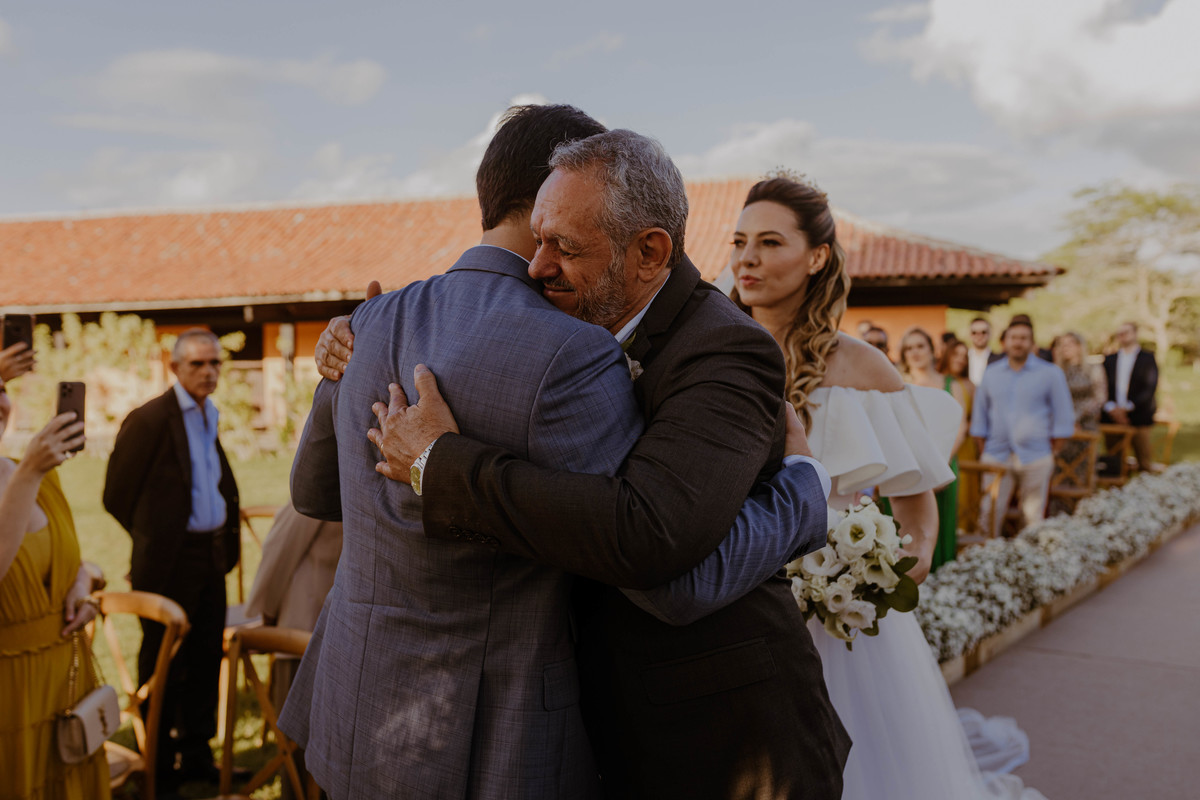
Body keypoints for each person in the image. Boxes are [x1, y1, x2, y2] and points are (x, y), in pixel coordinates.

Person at [289, 115, 839, 799]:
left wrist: (803, 493)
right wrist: (341, 366)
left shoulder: (721, 348)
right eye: (541, 239)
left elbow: (653, 549)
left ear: (649, 251)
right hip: (491, 729)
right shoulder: (557, 339)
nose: (540, 267)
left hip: (721, 737)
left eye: (564, 246)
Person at [726, 174, 1043, 800]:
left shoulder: (862, 366)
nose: (747, 259)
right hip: (736, 590)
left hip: (838, 612)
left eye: (768, 242)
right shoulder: (715, 351)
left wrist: (900, 563)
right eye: (739, 242)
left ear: (816, 256)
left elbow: (916, 504)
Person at [102, 328, 240, 790]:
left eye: (214, 363)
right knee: (162, 664)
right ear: (175, 368)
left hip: (211, 556)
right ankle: (157, 766)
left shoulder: (209, 413)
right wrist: (153, 540)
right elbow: (115, 494)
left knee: (205, 661)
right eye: (198, 364)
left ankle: (198, 760)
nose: (208, 371)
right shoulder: (150, 419)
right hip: (168, 562)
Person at [0, 375, 110, 800]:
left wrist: (81, 584)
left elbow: (70, 562)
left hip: (61, 687)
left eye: (0, 388)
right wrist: (28, 471)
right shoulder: (32, 471)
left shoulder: (41, 476)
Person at [971, 319, 1074, 533]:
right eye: (1013, 338)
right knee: (988, 514)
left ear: (1032, 343)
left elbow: (1064, 418)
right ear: (1005, 342)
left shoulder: (1051, 373)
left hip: (1036, 457)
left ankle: (1029, 563)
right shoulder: (991, 373)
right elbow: (980, 417)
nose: (1018, 343)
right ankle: (987, 561)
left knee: (1032, 519)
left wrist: (1051, 453)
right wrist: (984, 452)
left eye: (1023, 338)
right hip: (996, 456)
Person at [899, 327, 968, 569]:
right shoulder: (899, 387)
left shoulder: (951, 384)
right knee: (907, 531)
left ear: (932, 350)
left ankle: (942, 587)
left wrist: (941, 465)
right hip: (908, 470)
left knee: (941, 526)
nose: (914, 352)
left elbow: (961, 428)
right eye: (909, 348)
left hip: (945, 466)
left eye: (920, 346)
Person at [1101, 321, 1159, 473]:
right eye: (1119, 333)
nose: (1122, 336)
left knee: (1143, 459)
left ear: (1135, 334)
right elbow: (1102, 387)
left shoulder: (1147, 358)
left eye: (1126, 332)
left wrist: (1126, 409)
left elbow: (1149, 387)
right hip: (1112, 416)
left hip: (1139, 415)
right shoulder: (1109, 359)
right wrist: (1113, 409)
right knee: (1114, 460)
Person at [939, 338, 979, 529]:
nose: (961, 359)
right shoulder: (938, 381)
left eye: (965, 356)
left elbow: (976, 416)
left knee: (964, 490)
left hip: (964, 444)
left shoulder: (969, 385)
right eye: (956, 354)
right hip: (942, 441)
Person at [966, 317, 1003, 386]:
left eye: (983, 332)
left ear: (990, 334)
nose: (979, 336)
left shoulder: (999, 360)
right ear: (970, 335)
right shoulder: (963, 359)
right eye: (974, 333)